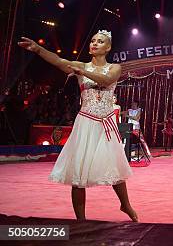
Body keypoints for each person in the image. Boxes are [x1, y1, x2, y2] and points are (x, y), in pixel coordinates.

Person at [17, 31, 138, 221]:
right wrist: (39, 49)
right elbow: (57, 60)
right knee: (78, 173)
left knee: (114, 168)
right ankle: (80, 220)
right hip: (86, 122)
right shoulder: (81, 66)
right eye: (93, 40)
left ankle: (125, 204)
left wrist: (83, 72)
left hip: (105, 123)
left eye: (100, 42)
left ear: (108, 47)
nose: (95, 43)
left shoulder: (115, 67)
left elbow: (106, 81)